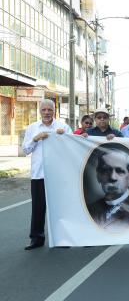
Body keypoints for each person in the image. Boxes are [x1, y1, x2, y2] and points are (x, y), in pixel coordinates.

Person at [23, 99, 72, 250]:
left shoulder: (63, 127)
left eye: (49, 110)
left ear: (54, 111)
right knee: (38, 207)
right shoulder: (32, 128)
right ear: (40, 111)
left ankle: (61, 239)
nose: (46, 113)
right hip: (39, 174)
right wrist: (35, 139)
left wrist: (64, 137)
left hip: (58, 174)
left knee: (59, 207)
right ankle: (36, 239)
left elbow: (72, 148)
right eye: (43, 110)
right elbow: (25, 150)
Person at [87, 148, 129, 231]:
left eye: (119, 171)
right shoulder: (90, 210)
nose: (112, 177)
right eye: (106, 170)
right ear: (98, 176)